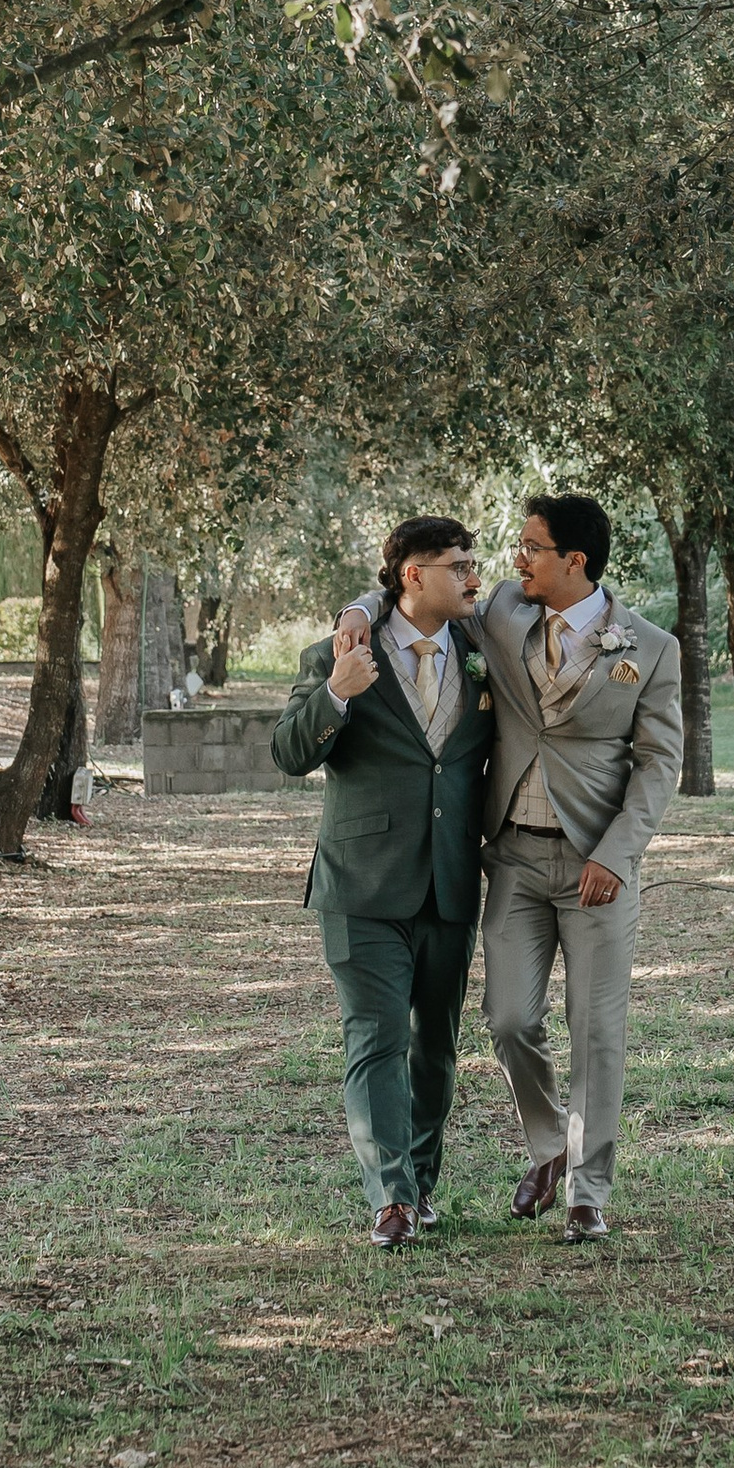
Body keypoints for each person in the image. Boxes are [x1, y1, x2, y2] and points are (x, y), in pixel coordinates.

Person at [337, 493, 683, 1242]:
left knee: (596, 1030)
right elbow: (411, 593)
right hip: (514, 858)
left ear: (575, 561)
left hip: (598, 867)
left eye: (531, 546)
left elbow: (660, 766)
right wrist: (357, 608)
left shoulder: (651, 649)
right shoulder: (499, 611)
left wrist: (617, 854)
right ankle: (552, 1142)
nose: (515, 558)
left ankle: (587, 1192)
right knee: (509, 1019)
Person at [272, 515, 492, 1249]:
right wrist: (336, 693)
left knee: (436, 1048)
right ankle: (390, 1198)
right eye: (459, 565)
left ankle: (421, 1185)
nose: (473, 577)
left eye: (473, 564)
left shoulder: (483, 651)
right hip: (361, 884)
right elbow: (288, 753)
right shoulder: (338, 653)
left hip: (450, 880)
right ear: (414, 575)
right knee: (377, 1038)